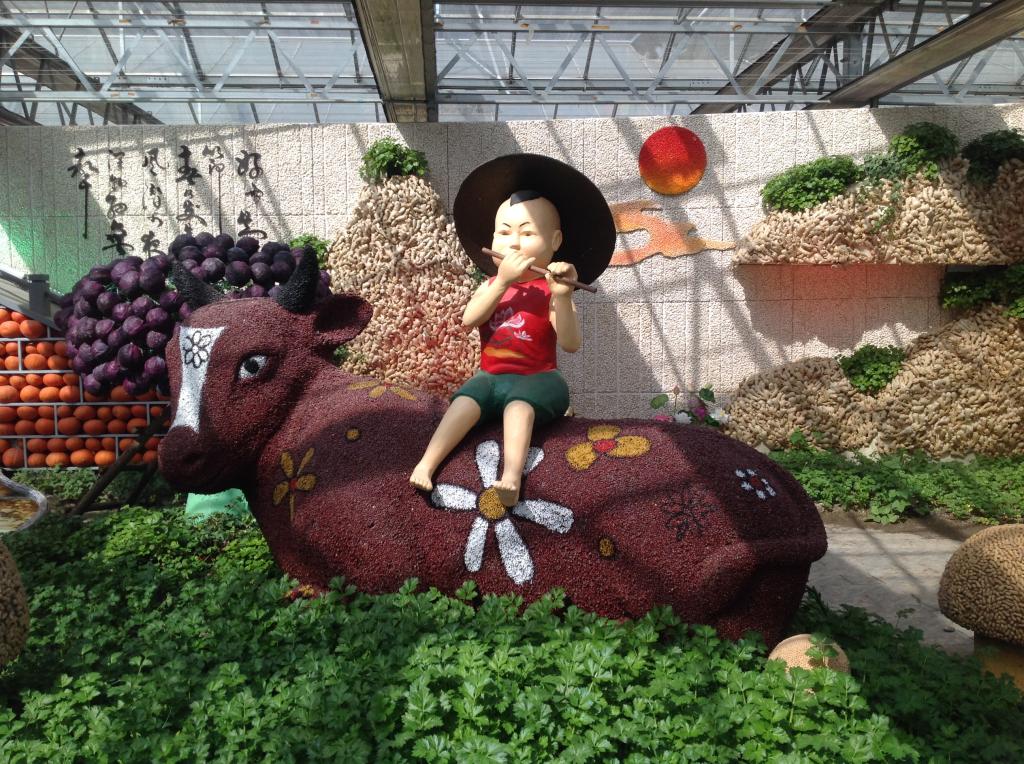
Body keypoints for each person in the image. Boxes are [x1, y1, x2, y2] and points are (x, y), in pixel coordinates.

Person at [410, 154, 615, 507]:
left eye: (527, 233)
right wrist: (502, 282)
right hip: (490, 376)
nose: (514, 244)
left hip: (539, 378)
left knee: (518, 407)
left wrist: (563, 297)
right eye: (504, 233)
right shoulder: (492, 284)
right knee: (464, 402)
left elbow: (570, 343)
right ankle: (426, 465)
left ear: (555, 241)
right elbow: (470, 319)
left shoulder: (551, 289)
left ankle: (510, 478)